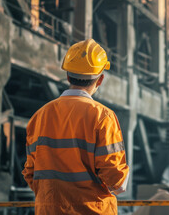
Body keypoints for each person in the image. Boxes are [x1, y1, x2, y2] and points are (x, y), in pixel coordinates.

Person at [22, 39, 130, 214]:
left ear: (67, 76)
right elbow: (116, 181)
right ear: (100, 79)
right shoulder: (103, 117)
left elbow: (30, 173)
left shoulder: (39, 116)